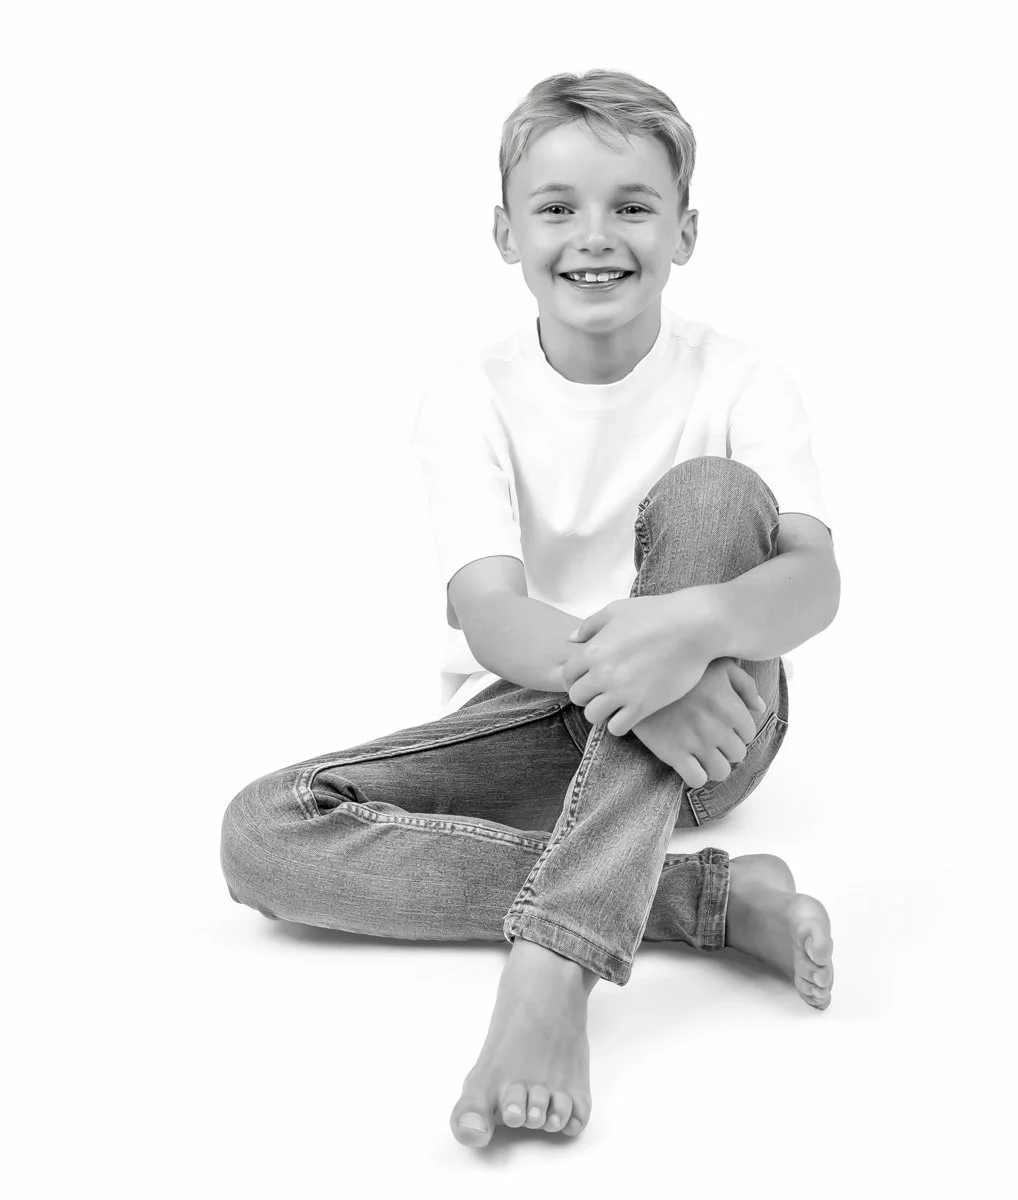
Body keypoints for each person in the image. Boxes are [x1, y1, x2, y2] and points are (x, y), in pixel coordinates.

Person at [219, 68, 841, 1149]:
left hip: (717, 720)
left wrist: (687, 641)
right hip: (541, 705)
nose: (594, 236)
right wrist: (636, 685)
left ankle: (553, 967)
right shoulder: (469, 400)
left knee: (713, 495)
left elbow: (814, 584)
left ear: (686, 231)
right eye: (557, 207)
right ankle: (702, 901)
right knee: (266, 834)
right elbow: (491, 616)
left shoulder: (742, 380)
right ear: (505, 233)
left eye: (632, 206)